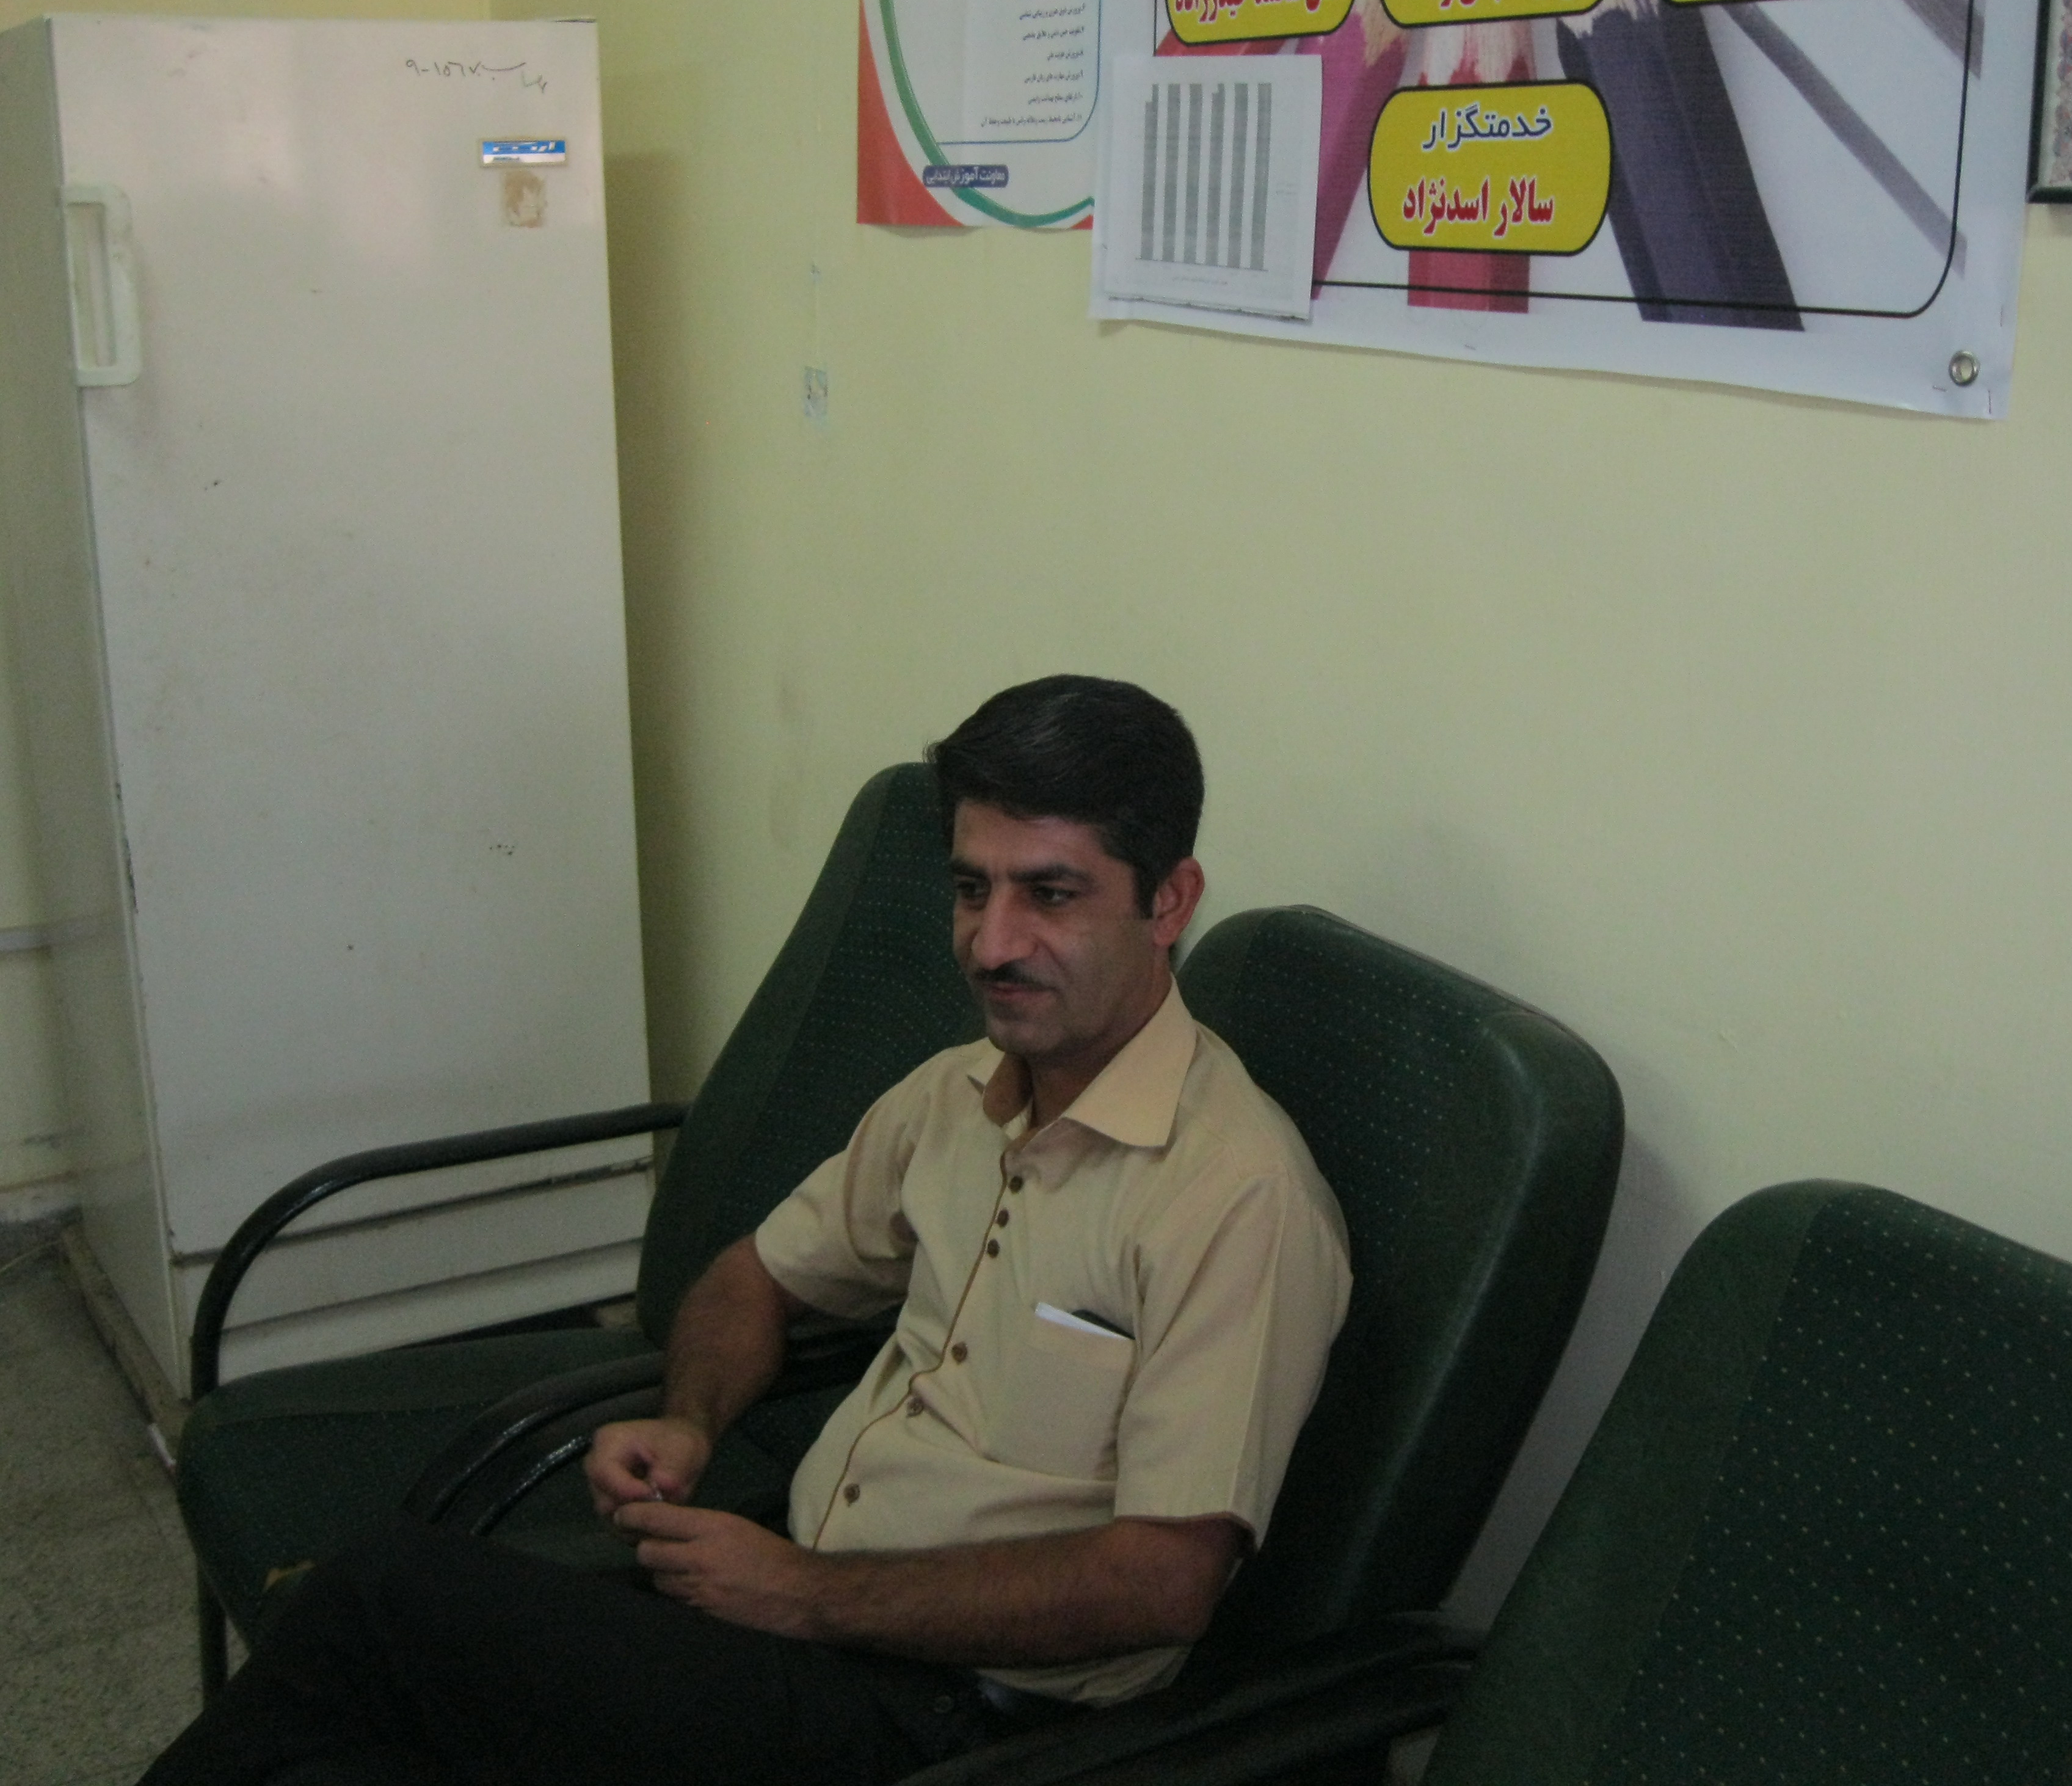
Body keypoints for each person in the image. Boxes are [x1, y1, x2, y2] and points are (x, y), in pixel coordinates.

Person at [144, 676, 1352, 1786]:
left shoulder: (1232, 1195)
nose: (990, 945)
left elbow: (1162, 1583)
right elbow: (753, 1278)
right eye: (970, 888)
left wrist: (804, 1593)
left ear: (1168, 901)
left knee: (381, 1603)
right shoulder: (955, 1097)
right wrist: (691, 1420)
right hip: (796, 1626)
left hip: (966, 1727)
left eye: (1049, 894)